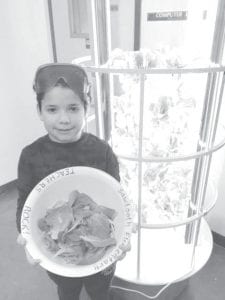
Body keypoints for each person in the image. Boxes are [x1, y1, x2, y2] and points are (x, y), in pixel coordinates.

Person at [16, 63, 129, 300]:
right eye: (52, 109)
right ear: (39, 111)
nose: (64, 119)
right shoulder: (30, 156)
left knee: (100, 290)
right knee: (67, 291)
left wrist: (124, 234)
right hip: (62, 252)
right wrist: (27, 238)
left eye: (73, 108)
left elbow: (117, 197)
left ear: (86, 108)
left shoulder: (102, 152)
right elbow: (25, 202)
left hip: (99, 249)